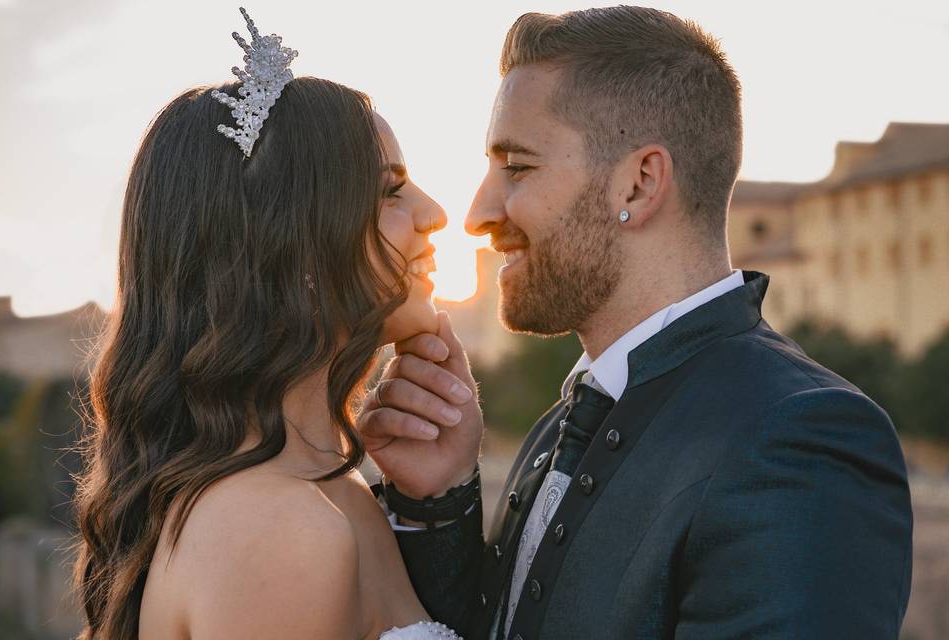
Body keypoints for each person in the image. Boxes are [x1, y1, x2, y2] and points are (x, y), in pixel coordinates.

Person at [358, 6, 914, 639]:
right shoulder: (561, 423)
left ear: (639, 184)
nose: (477, 213)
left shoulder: (800, 438)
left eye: (517, 166)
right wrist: (441, 502)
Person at [72, 8, 468, 639]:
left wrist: (439, 505)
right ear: (294, 247)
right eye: (390, 191)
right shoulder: (275, 526)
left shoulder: (329, 492)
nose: (435, 213)